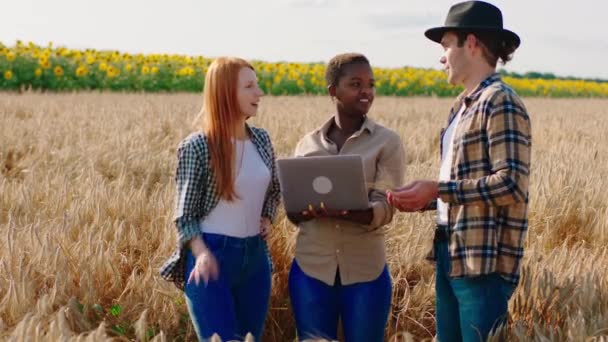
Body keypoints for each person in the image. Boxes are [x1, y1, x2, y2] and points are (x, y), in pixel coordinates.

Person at [387, 1, 532, 341]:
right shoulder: (461, 106)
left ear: (471, 43)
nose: (442, 57)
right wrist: (422, 200)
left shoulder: (501, 101)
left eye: (446, 46)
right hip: (450, 252)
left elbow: (511, 183)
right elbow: (461, 186)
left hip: (482, 261)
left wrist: (437, 190)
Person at [159, 57, 281, 342]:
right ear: (225, 92)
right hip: (212, 258)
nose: (259, 93)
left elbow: (274, 189)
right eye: (249, 86)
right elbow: (184, 215)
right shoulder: (198, 146)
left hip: (255, 259)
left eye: (257, 85)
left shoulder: (262, 139)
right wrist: (201, 254)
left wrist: (267, 217)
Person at [287, 53, 405, 342]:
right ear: (333, 91)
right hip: (311, 268)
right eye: (355, 84)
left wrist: (353, 211)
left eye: (370, 84)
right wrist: (305, 210)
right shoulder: (307, 144)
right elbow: (293, 213)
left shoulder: (387, 142)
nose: (366, 91)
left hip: (366, 270)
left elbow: (387, 205)